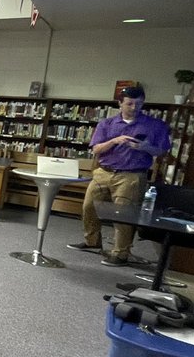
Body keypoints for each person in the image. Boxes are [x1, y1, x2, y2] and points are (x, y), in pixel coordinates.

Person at [68, 85, 172, 266]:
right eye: (130, 104)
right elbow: (96, 149)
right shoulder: (106, 124)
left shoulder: (154, 125)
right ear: (120, 104)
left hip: (131, 176)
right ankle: (92, 242)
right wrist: (115, 141)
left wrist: (145, 147)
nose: (134, 108)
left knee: (124, 214)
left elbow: (162, 151)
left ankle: (121, 253)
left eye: (139, 104)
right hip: (104, 172)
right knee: (88, 207)